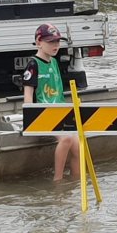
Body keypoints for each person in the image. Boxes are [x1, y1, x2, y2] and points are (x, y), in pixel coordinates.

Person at [22, 23, 79, 182]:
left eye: (57, 42)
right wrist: (31, 118)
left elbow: (58, 93)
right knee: (66, 139)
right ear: (39, 42)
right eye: (51, 42)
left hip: (59, 112)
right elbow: (28, 95)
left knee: (79, 146)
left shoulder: (54, 62)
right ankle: (58, 180)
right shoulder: (33, 64)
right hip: (42, 113)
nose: (56, 46)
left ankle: (76, 182)